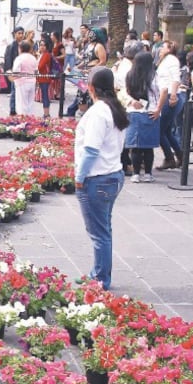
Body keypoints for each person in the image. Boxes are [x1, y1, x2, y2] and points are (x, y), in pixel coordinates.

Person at [74, 67, 129, 291]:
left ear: (92, 88)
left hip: (97, 178)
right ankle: (99, 272)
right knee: (103, 229)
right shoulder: (114, 108)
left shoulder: (98, 112)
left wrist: (79, 177)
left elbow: (91, 149)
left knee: (99, 233)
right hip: (112, 174)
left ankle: (100, 279)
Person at [122, 51, 164, 183]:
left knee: (135, 146)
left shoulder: (130, 75)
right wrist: (158, 109)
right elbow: (164, 91)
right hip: (150, 113)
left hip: (133, 112)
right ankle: (148, 173)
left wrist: (132, 102)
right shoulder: (154, 76)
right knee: (148, 146)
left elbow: (125, 91)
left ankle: (135, 174)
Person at [154, 42, 184, 170]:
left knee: (159, 130)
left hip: (170, 96)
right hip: (167, 95)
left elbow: (175, 78)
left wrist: (172, 94)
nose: (161, 49)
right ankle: (179, 154)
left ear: (170, 49)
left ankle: (169, 157)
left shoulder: (171, 60)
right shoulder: (165, 60)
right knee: (166, 130)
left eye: (164, 47)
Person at [10, 41, 38, 116]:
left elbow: (16, 71)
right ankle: (31, 120)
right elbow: (36, 71)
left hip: (21, 82)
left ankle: (22, 122)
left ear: (20, 49)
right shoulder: (33, 58)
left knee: (21, 104)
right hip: (32, 82)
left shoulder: (19, 58)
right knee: (30, 103)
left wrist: (10, 74)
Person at [4, 27, 25, 116]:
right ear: (15, 34)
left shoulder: (25, 45)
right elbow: (8, 60)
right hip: (15, 73)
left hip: (24, 73)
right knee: (14, 92)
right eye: (19, 33)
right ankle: (13, 110)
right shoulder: (11, 46)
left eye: (22, 33)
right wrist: (9, 73)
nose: (21, 35)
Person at [36, 37, 54, 118]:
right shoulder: (42, 54)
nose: (42, 47)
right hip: (43, 78)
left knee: (45, 96)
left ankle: (46, 114)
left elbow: (40, 66)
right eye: (40, 45)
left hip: (44, 78)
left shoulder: (46, 55)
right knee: (44, 95)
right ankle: (46, 113)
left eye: (44, 45)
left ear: (47, 46)